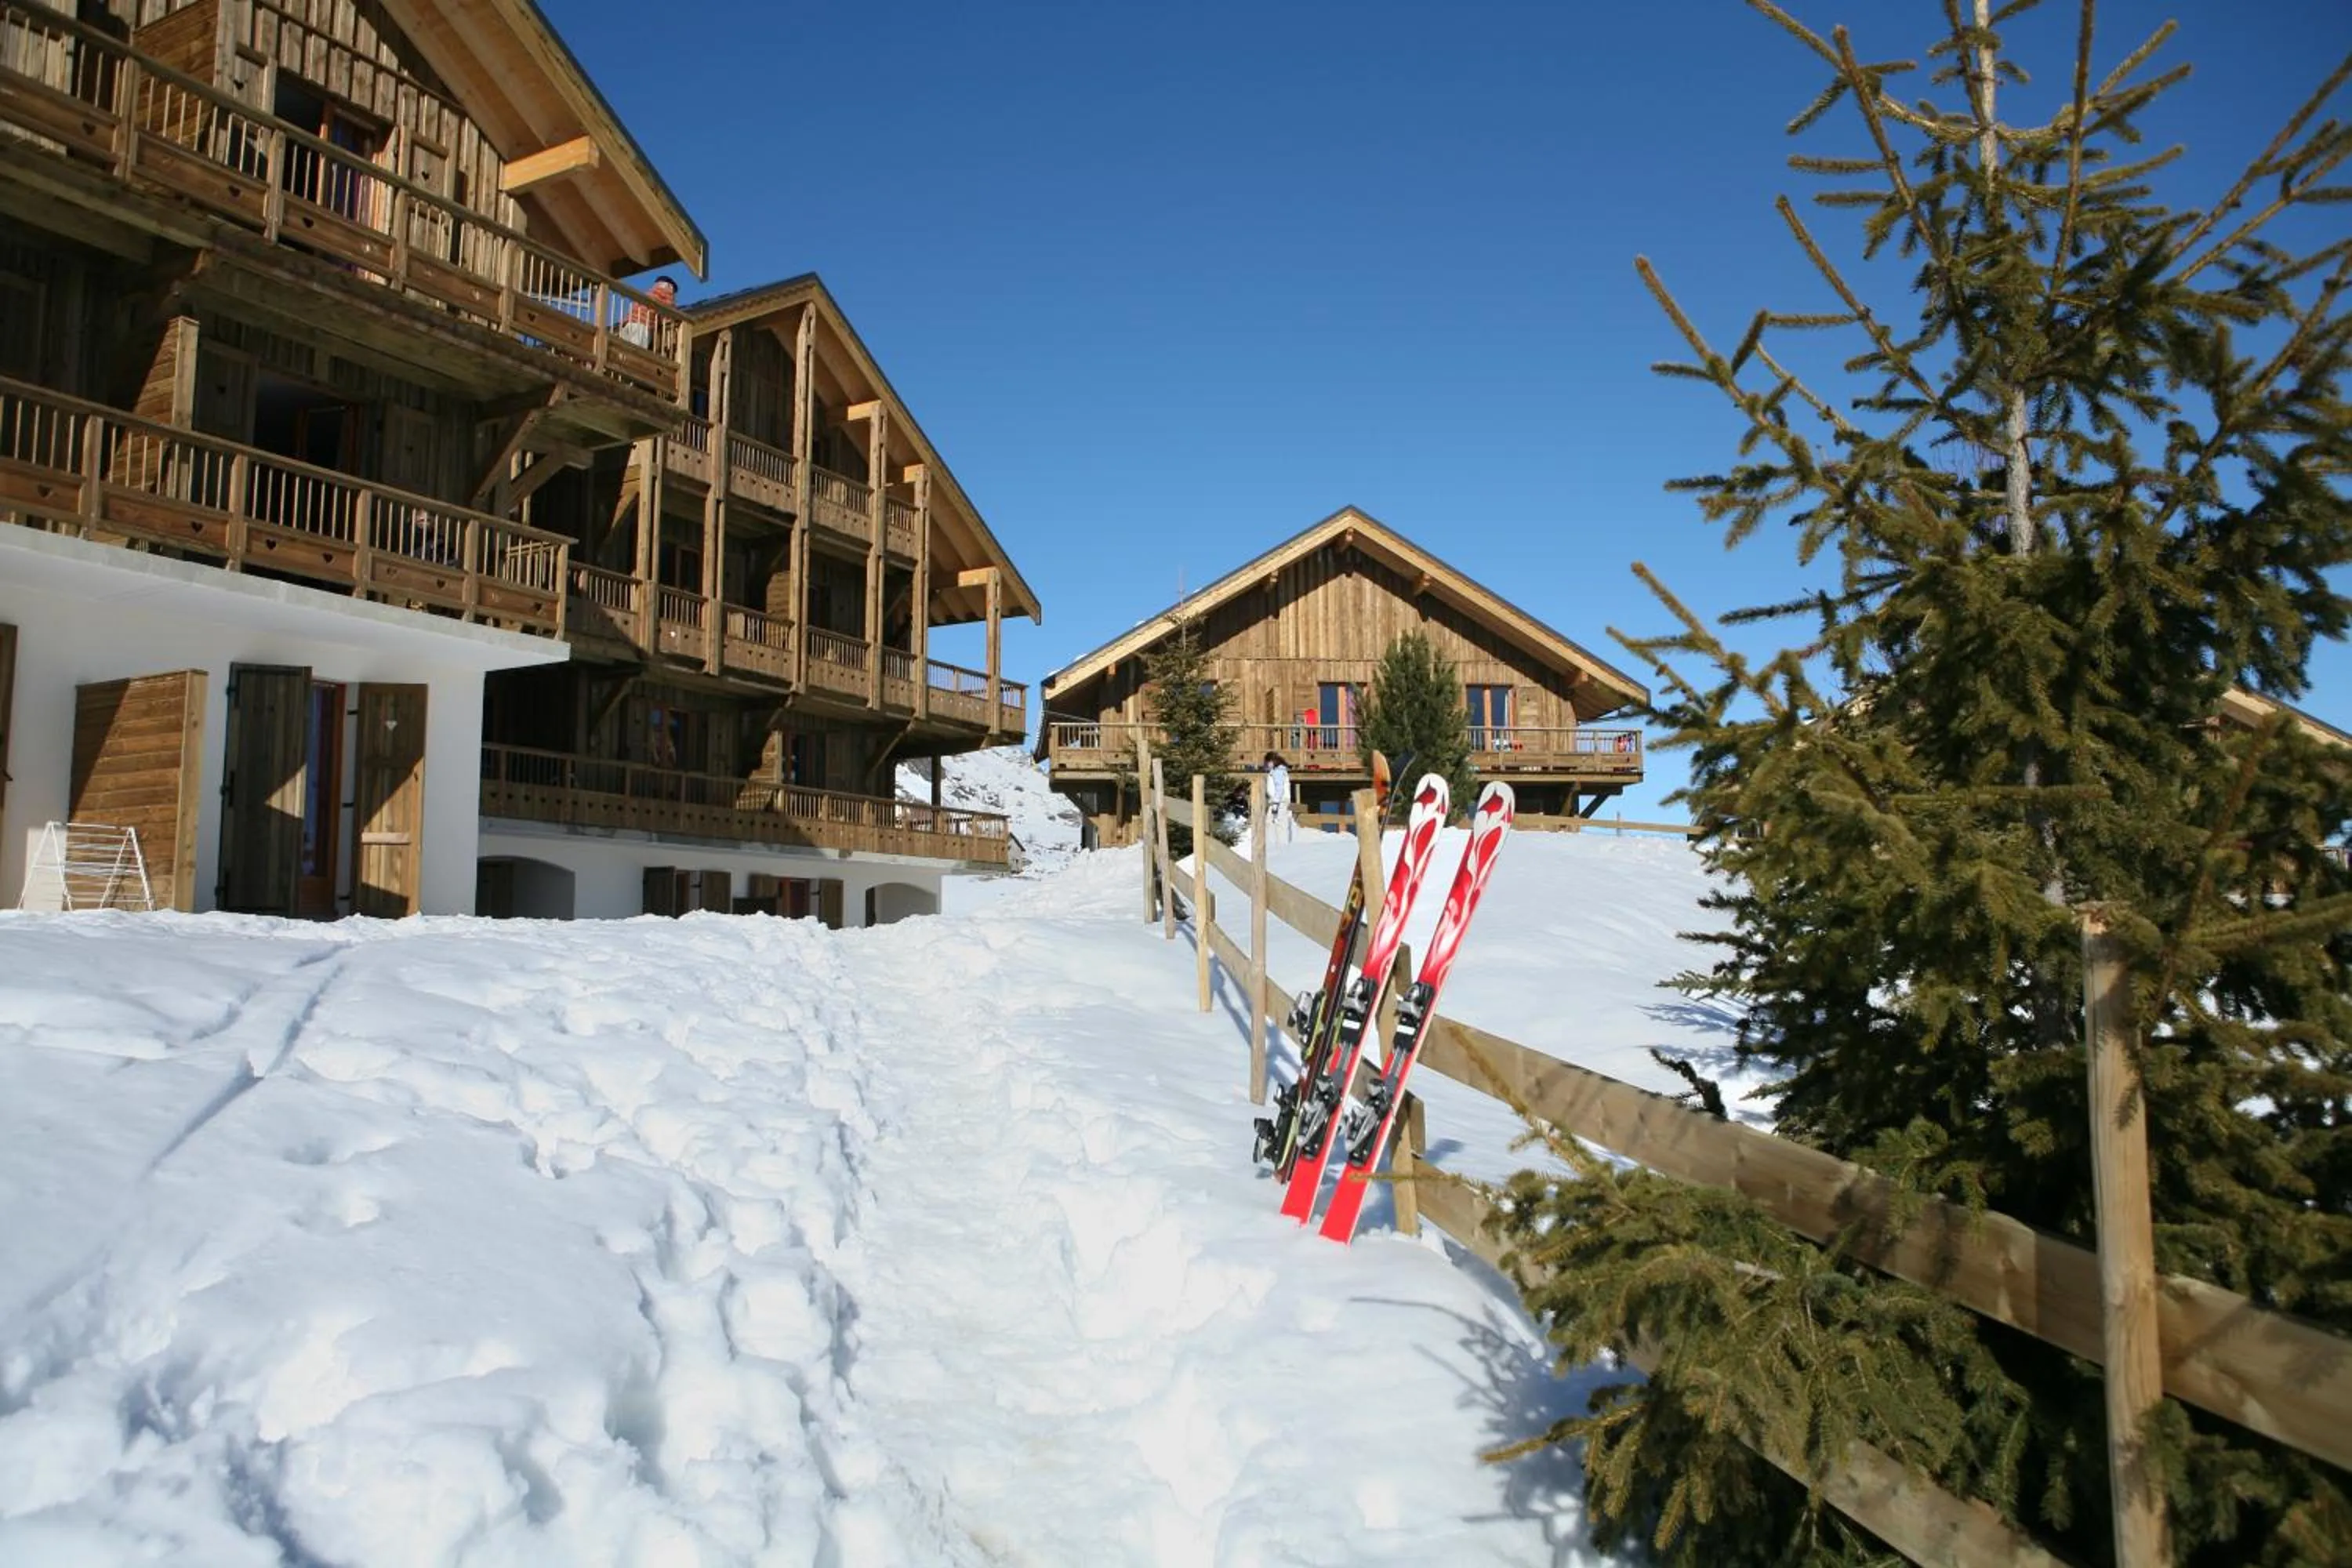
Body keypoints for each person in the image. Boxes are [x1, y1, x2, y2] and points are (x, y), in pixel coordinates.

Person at [620, 275, 677, 348]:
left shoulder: (649, 294)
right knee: (637, 351)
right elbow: (667, 316)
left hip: (629, 323)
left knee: (622, 349)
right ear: (670, 287)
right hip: (642, 326)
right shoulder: (665, 296)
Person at [1262, 751, 1294, 844]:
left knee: (1278, 823)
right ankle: (1273, 843)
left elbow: (1279, 788)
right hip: (1278, 801)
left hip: (1279, 802)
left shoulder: (1278, 772)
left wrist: (1276, 802)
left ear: (1272, 761)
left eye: (1267, 762)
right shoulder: (1278, 771)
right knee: (1271, 823)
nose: (1267, 765)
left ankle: (1280, 844)